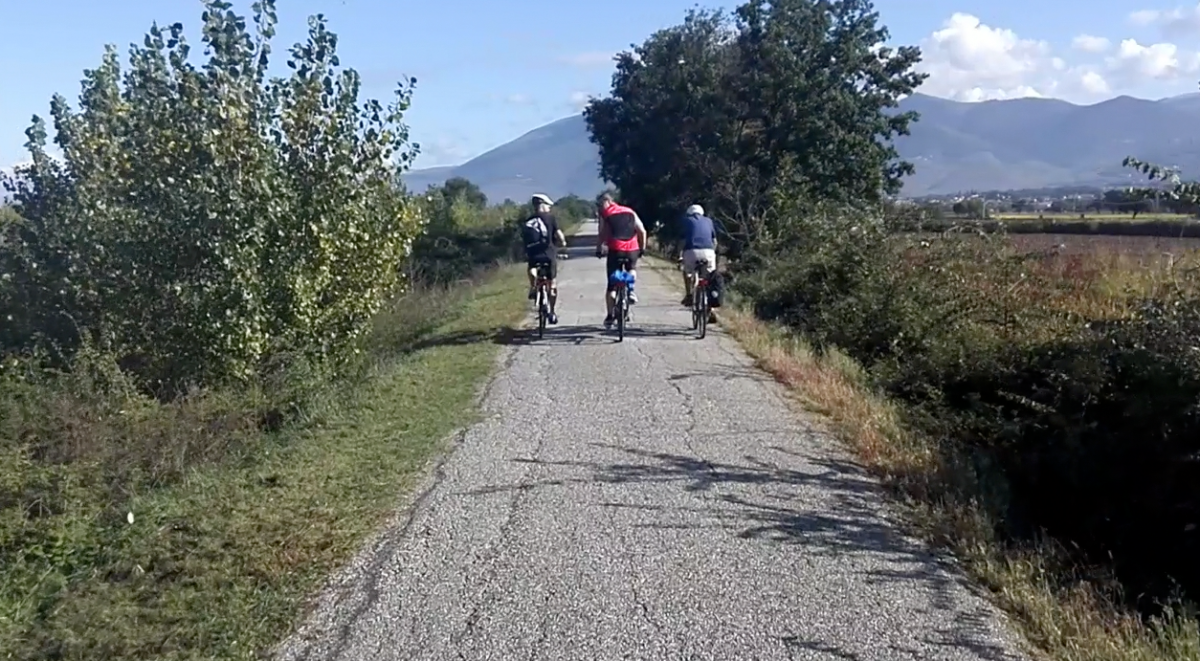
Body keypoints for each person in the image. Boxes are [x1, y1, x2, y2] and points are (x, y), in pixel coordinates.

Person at [595, 192, 647, 328]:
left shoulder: (606, 214)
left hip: (616, 249)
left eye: (601, 204)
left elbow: (603, 233)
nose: (601, 208)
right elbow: (642, 231)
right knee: (631, 268)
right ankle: (630, 290)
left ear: (607, 202)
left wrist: (599, 248)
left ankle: (610, 316)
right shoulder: (630, 211)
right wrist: (642, 248)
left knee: (611, 286)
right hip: (632, 248)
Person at [521, 193, 567, 324]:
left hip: (533, 254)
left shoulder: (528, 220)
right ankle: (552, 312)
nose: (549, 208)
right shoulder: (550, 218)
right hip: (549, 255)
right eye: (548, 205)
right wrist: (563, 244)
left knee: (532, 267)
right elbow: (559, 235)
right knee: (552, 284)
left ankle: (533, 286)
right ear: (543, 205)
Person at [678, 203, 718, 307]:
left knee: (687, 273)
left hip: (691, 251)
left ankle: (689, 295)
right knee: (710, 277)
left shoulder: (687, 221)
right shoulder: (709, 221)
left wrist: (680, 256)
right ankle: (711, 308)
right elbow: (715, 242)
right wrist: (712, 252)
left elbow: (682, 240)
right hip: (708, 252)